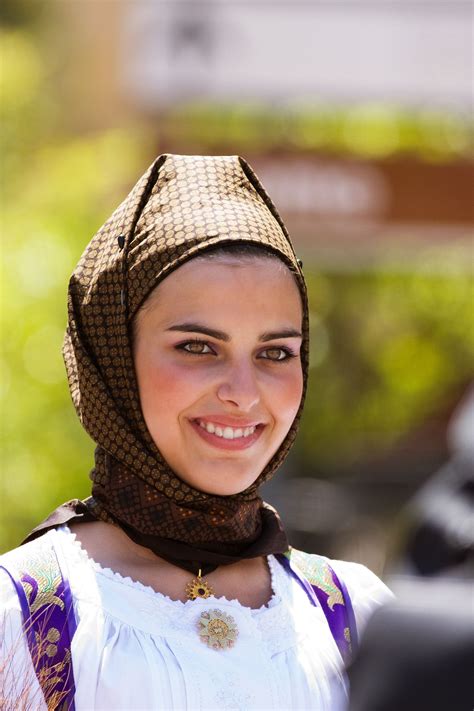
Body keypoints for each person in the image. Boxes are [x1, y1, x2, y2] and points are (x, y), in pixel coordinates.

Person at [0, 154, 391, 710]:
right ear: (113, 359)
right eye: (197, 347)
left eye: (275, 353)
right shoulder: (27, 617)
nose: (243, 392)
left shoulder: (357, 615)